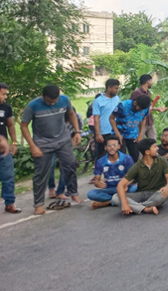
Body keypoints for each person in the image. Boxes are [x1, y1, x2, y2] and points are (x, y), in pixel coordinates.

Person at [20, 85, 82, 215]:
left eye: (55, 100)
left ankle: (73, 193)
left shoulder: (64, 100)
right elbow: (24, 126)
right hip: (43, 143)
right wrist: (32, 146)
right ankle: (38, 204)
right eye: (50, 101)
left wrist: (77, 132)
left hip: (63, 139)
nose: (53, 103)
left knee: (70, 165)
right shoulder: (33, 106)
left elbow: (71, 114)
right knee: (41, 173)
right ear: (44, 96)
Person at [111, 138, 168, 215]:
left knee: (161, 197)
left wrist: (167, 187)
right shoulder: (137, 165)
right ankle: (145, 209)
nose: (157, 148)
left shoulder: (162, 161)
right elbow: (120, 185)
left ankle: (135, 207)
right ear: (147, 152)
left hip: (157, 193)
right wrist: (124, 203)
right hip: (141, 194)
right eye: (155, 147)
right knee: (115, 198)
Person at [87, 136, 136, 210]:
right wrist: (97, 183)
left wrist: (127, 184)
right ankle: (117, 199)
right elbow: (97, 179)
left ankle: (107, 202)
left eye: (115, 145)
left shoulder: (127, 158)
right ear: (105, 147)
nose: (112, 147)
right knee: (91, 194)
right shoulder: (100, 161)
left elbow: (132, 177)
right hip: (110, 188)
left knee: (136, 189)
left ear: (119, 146)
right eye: (109, 145)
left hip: (125, 188)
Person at [110, 95, 151, 162]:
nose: (140, 111)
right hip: (120, 134)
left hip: (133, 134)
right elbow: (111, 118)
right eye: (139, 109)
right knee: (121, 156)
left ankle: (132, 171)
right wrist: (117, 134)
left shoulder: (145, 108)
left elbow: (144, 119)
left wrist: (141, 134)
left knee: (135, 156)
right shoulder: (122, 106)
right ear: (135, 103)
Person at [0, 83, 20, 213]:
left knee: (8, 177)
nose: (5, 96)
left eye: (6, 94)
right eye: (3, 94)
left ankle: (9, 203)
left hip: (4, 151)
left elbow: (11, 125)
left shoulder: (6, 108)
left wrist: (14, 142)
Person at [131, 74, 167, 140]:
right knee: (139, 141)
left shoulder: (148, 93)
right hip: (140, 121)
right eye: (151, 81)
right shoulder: (136, 93)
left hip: (149, 121)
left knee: (153, 140)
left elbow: (148, 107)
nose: (151, 83)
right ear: (148, 82)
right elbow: (132, 107)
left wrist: (157, 109)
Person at [92, 79, 121, 160]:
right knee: (101, 154)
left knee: (116, 153)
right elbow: (96, 118)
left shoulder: (117, 99)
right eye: (116, 88)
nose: (117, 90)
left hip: (115, 130)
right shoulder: (98, 101)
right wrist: (98, 133)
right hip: (104, 131)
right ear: (109, 88)